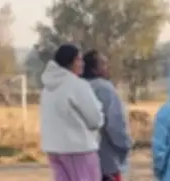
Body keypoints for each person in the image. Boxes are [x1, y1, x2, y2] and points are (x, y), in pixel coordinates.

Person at [40, 44, 104, 181]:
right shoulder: (77, 85)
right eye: (79, 60)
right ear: (70, 62)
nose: (82, 63)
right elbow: (95, 120)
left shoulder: (47, 88)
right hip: (79, 149)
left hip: (54, 148)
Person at [82, 50, 132, 181]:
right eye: (103, 64)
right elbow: (115, 124)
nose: (107, 67)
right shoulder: (104, 89)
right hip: (106, 160)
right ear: (94, 68)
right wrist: (125, 144)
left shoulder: (77, 88)